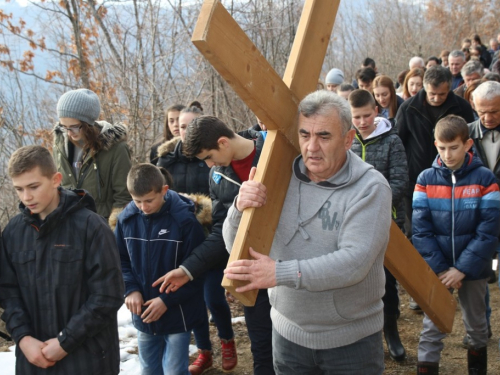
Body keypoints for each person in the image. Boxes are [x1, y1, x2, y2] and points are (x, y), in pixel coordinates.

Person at [223, 90, 392, 374]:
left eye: (324, 136)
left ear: (348, 139)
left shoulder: (370, 188)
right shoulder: (277, 176)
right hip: (287, 336)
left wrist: (279, 273)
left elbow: (355, 262)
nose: (312, 147)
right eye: (305, 135)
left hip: (351, 343)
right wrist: (240, 207)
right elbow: (234, 247)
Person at [154, 116, 273, 375]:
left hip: (288, 267)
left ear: (223, 142)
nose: (208, 165)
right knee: (262, 351)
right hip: (254, 275)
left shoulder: (272, 149)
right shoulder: (217, 175)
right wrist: (187, 270)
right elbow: (221, 233)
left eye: (209, 156)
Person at [0, 145, 124, 374]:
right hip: (33, 360)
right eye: (19, 189)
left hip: (88, 360)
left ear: (56, 179)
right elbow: (8, 293)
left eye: (34, 187)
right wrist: (23, 338)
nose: (26, 197)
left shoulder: (92, 227)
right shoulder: (13, 233)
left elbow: (108, 295)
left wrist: (65, 341)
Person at [413, 115, 500, 375]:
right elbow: (420, 230)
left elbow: (489, 229)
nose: (448, 154)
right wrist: (441, 270)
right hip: (438, 270)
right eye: (442, 148)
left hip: (473, 269)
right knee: (431, 326)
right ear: (435, 144)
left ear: (468, 144)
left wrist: (461, 269)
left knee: (476, 326)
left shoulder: (485, 179)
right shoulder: (425, 179)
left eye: (454, 147)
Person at [157, 103, 235, 375]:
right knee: (194, 302)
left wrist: (198, 208)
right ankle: (204, 351)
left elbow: (222, 200)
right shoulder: (165, 160)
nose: (181, 128)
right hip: (182, 238)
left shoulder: (214, 158)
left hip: (212, 236)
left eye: (189, 125)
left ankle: (227, 341)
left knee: (213, 296)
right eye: (177, 124)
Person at [115, 163, 206, 375]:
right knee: (148, 369)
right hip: (144, 314)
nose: (143, 207)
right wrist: (130, 289)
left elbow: (198, 270)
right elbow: (119, 260)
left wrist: (166, 301)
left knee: (174, 370)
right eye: (137, 201)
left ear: (163, 191)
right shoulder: (125, 220)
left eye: (149, 200)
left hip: (178, 313)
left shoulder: (185, 221)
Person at [396, 66, 475, 306]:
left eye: (442, 94)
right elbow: (399, 143)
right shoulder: (409, 108)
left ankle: (458, 283)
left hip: (457, 184)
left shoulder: (461, 107)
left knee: (455, 234)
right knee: (418, 236)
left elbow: (471, 143)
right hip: (417, 183)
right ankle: (420, 291)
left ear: (449, 88)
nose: (437, 99)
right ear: (424, 88)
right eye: (433, 94)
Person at [349, 89, 408, 362]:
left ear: (377, 111)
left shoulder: (392, 141)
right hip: (352, 222)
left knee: (388, 280)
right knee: (357, 278)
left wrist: (372, 204)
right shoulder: (346, 141)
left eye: (367, 115)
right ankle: (362, 335)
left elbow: (399, 181)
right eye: (356, 117)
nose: (362, 122)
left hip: (387, 220)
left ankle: (391, 331)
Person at [53, 88, 132, 221]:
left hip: (101, 226)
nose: (69, 133)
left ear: (88, 123)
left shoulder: (116, 148)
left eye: (74, 126)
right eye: (64, 127)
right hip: (68, 225)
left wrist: (112, 229)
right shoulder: (60, 146)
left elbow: (123, 197)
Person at [157, 102, 210, 195]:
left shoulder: (214, 158)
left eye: (192, 126)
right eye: (183, 127)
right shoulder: (166, 160)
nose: (187, 131)